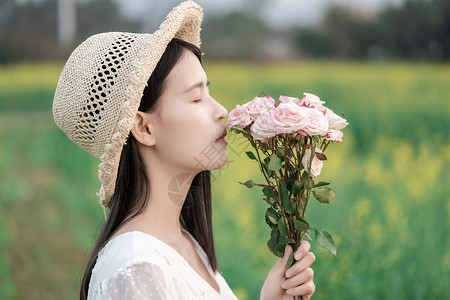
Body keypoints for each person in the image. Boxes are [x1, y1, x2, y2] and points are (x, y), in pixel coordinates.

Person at [52, 1, 316, 299]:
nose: (221, 111)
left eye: (209, 92)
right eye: (196, 98)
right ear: (144, 128)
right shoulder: (138, 270)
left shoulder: (185, 244)